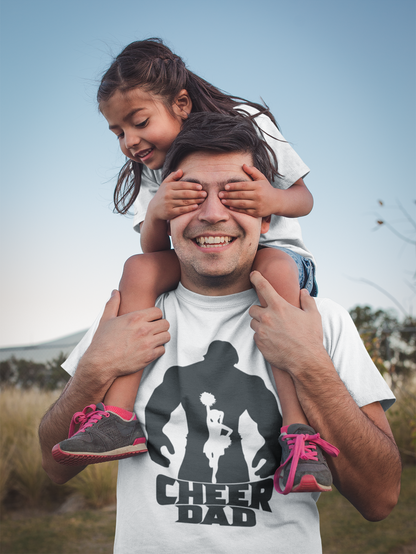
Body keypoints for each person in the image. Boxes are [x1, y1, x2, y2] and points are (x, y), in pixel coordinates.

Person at [39, 112, 401, 554]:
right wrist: (92, 371)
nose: (212, 214)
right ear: (166, 214)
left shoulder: (322, 323)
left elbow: (381, 499)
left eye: (235, 195)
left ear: (267, 219)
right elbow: (53, 467)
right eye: (191, 196)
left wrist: (310, 364)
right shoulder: (128, 320)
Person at [51, 40, 327, 494]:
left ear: (180, 102)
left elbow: (304, 198)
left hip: (276, 255)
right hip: (201, 255)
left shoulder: (246, 122)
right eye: (117, 132)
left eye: (138, 122)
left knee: (274, 265)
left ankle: (299, 436)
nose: (130, 141)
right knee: (138, 268)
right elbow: (156, 246)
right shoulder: (153, 169)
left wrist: (270, 200)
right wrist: (158, 209)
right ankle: (117, 419)